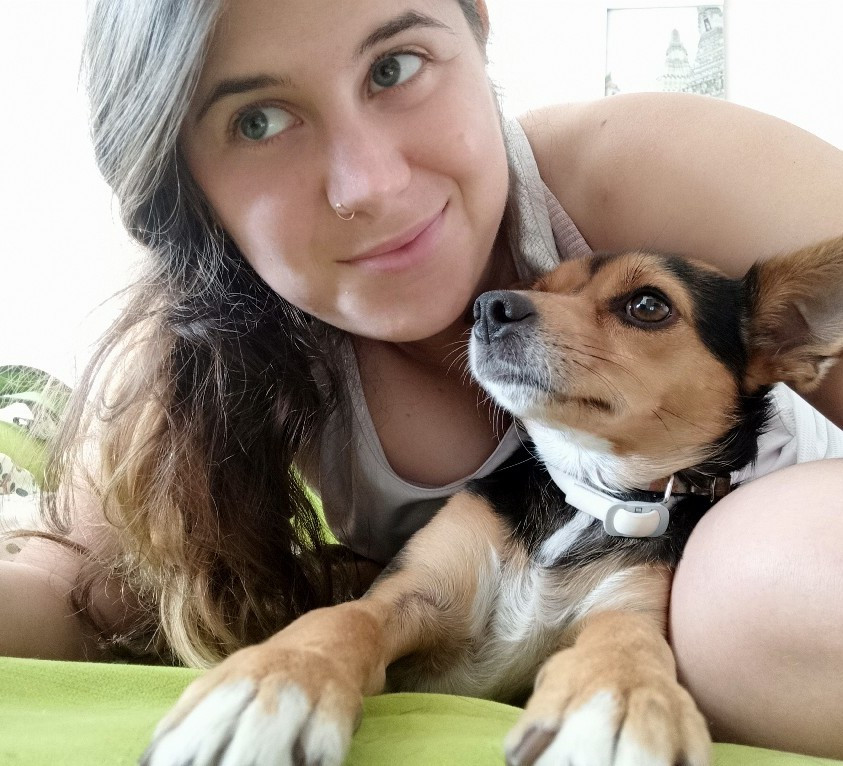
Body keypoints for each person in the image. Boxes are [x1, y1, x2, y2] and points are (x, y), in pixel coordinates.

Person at [1, 0, 842, 758]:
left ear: (477, 26)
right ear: (184, 176)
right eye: (257, 120)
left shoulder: (651, 166)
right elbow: (66, 582)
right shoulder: (200, 348)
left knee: (746, 576)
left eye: (394, 66)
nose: (371, 184)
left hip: (763, 566)